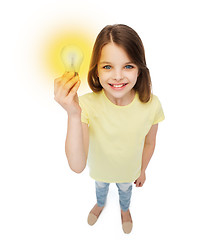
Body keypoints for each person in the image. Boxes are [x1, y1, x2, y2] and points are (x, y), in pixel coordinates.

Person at [54, 24, 165, 234]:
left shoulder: (152, 105)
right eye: (107, 67)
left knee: (125, 192)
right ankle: (100, 204)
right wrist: (73, 114)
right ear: (96, 69)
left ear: (140, 68)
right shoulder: (85, 106)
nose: (117, 76)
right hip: (100, 172)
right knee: (101, 190)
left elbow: (150, 142)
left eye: (128, 66)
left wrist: (142, 170)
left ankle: (125, 210)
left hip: (128, 173)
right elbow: (77, 165)